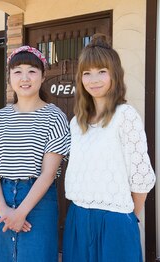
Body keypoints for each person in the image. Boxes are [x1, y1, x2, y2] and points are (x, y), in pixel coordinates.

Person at [63, 34, 156, 262]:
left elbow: (141, 175)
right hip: (78, 217)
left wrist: (127, 217)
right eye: (87, 73)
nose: (94, 79)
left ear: (115, 74)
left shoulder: (126, 116)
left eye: (101, 71)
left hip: (116, 219)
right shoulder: (76, 123)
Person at [0, 46, 71, 262]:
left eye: (32, 71)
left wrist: (20, 213)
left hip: (38, 200)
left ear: (43, 76)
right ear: (9, 77)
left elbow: (48, 174)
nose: (25, 78)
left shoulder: (55, 117)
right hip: (1, 197)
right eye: (17, 71)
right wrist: (3, 210)